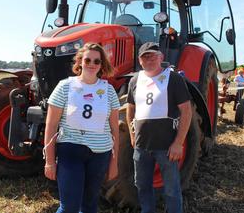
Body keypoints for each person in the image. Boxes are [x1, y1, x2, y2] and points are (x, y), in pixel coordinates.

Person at [44, 43, 120, 213]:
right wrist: (49, 161)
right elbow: (51, 125)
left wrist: (114, 163)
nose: (92, 64)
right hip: (71, 152)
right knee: (69, 207)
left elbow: (115, 129)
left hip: (100, 155)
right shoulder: (65, 87)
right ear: (80, 61)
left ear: (101, 65)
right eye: (88, 60)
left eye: (97, 61)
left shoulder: (108, 91)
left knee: (89, 205)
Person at [126, 42, 192, 213]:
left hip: (167, 147)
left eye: (153, 55)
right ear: (140, 60)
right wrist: (132, 136)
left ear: (161, 57)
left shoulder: (174, 78)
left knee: (171, 189)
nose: (149, 59)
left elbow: (186, 111)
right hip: (141, 147)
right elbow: (130, 109)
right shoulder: (134, 80)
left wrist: (179, 142)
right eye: (145, 56)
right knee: (142, 186)